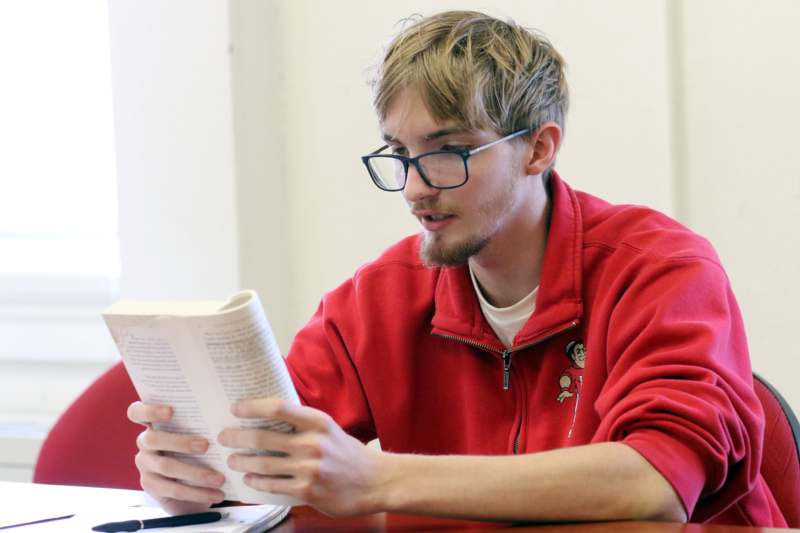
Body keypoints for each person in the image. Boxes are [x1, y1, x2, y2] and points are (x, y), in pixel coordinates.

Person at [127, 10, 786, 526]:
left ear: (538, 150)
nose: (416, 188)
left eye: (448, 152)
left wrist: (379, 479)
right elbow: (283, 454)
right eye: (400, 154)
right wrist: (201, 477)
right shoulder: (378, 299)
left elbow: (657, 483)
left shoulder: (660, 268)